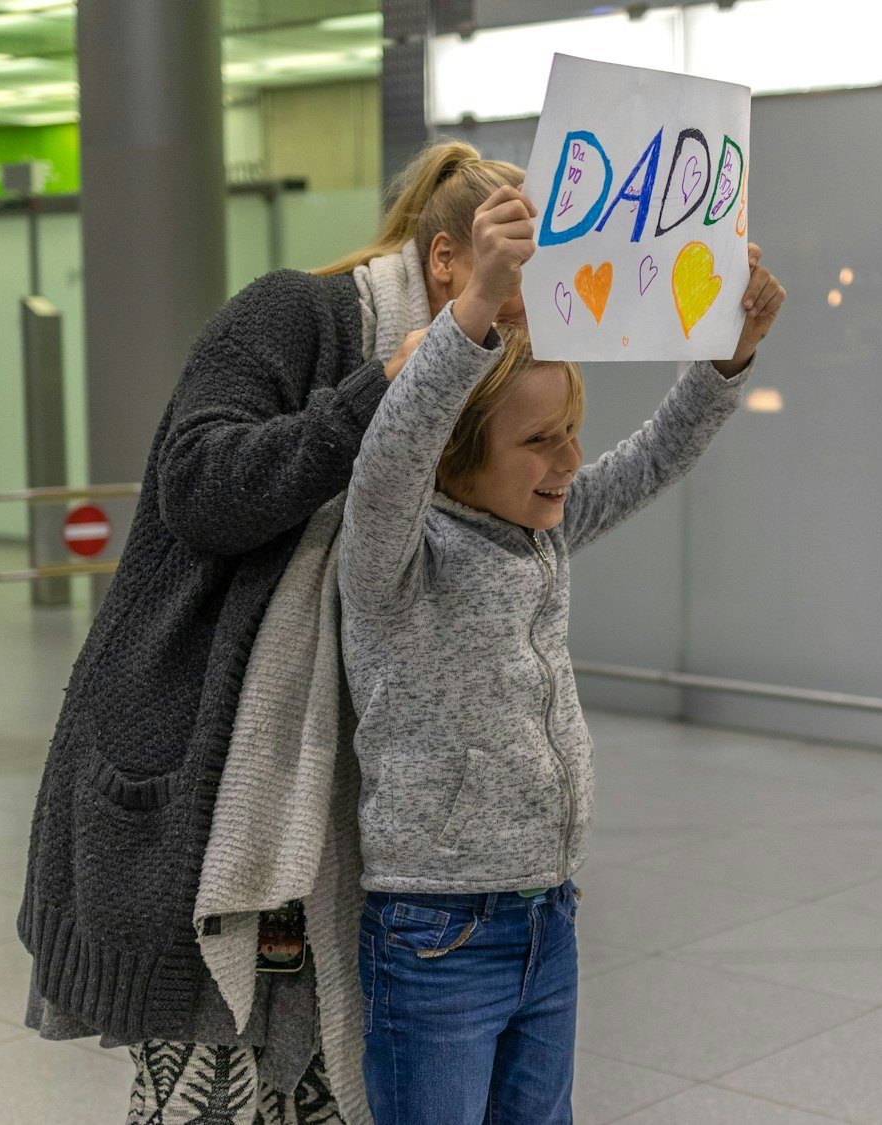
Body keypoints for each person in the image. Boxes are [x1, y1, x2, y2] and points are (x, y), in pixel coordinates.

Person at [16, 141, 528, 1124]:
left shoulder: (489, 374)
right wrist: (387, 388)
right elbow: (199, 489)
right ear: (446, 262)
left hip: (367, 801)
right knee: (210, 1089)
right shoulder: (298, 313)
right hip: (215, 777)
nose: (523, 313)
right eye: (512, 278)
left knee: (327, 1088)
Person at [337, 183, 786, 1123]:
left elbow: (654, 455)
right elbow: (392, 453)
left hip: (549, 913)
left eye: (571, 432)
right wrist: (469, 318)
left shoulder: (542, 529)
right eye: (540, 441)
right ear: (456, 456)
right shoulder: (396, 553)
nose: (572, 459)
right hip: (435, 935)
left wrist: (727, 355)